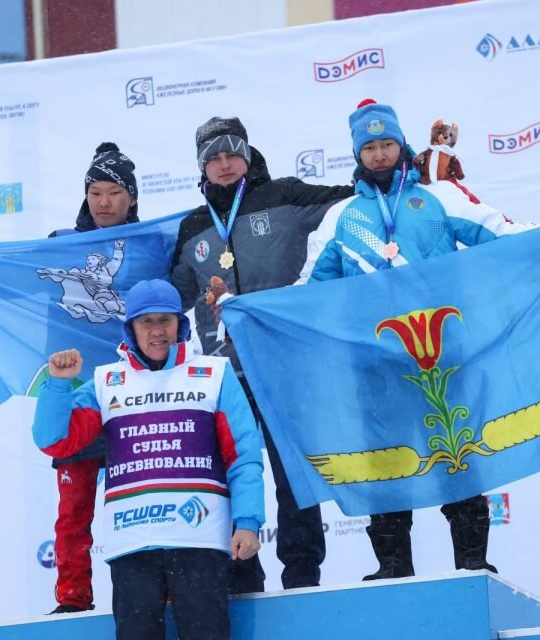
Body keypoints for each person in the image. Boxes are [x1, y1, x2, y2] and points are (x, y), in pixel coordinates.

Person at [301, 99, 540, 580]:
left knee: (459, 451)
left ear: (401, 145)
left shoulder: (439, 199)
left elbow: (503, 235)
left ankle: (472, 562)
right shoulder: (341, 218)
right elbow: (309, 290)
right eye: (369, 147)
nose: (378, 155)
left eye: (386, 144)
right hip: (376, 364)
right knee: (385, 462)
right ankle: (393, 567)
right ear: (357, 154)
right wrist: (242, 307)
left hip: (444, 355)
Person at [170, 116, 354, 592]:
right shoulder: (192, 227)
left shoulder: (285, 196)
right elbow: (169, 296)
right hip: (224, 374)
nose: (224, 163)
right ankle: (240, 574)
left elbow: (357, 201)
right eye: (213, 157)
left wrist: (403, 175)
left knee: (294, 473)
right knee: (229, 472)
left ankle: (302, 575)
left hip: (285, 366)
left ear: (247, 157)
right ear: (202, 168)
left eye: (232, 153)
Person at [32, 279, 265, 640]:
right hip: (132, 544)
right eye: (146, 322)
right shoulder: (106, 381)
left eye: (165, 321)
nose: (157, 332)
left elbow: (243, 457)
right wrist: (59, 384)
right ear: (131, 328)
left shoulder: (214, 374)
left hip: (200, 541)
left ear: (180, 324)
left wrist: (248, 522)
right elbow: (55, 441)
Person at [46, 142, 142, 614]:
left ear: (131, 197)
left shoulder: (151, 243)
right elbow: (5, 268)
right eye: (95, 192)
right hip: (78, 397)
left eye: (113, 192)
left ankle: (150, 593)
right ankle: (72, 599)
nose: (103, 202)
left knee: (142, 505)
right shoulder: (60, 242)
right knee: (74, 510)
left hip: (135, 393)